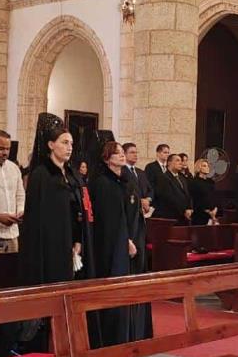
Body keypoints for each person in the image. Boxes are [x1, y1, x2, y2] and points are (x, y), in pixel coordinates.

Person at [89, 142, 151, 345]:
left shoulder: (125, 180)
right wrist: (126, 241)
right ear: (106, 158)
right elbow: (111, 219)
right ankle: (113, 342)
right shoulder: (102, 183)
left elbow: (129, 212)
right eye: (116, 153)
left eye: (121, 152)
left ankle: (129, 338)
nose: (121, 155)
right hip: (112, 246)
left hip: (132, 239)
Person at [21, 126, 94, 285]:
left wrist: (78, 239)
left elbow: (78, 209)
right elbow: (37, 216)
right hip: (50, 243)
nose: (69, 148)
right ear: (51, 144)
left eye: (72, 144)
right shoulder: (41, 174)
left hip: (72, 239)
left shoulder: (72, 174)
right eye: (65, 142)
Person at [123, 142, 152, 272]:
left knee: (141, 249)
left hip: (142, 217)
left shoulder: (141, 172)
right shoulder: (122, 172)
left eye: (136, 152)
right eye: (132, 152)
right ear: (124, 154)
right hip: (130, 216)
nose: (135, 155)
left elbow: (150, 190)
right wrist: (140, 201)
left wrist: (148, 199)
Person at [154, 153, 193, 224]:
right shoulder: (163, 178)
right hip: (171, 217)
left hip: (185, 217)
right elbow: (169, 198)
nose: (181, 163)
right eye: (177, 160)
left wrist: (189, 208)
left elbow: (187, 195)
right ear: (169, 163)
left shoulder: (182, 178)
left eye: (181, 160)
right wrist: (183, 211)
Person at [189, 158, 217, 225]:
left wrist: (215, 209)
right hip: (200, 213)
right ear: (199, 167)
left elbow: (214, 196)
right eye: (204, 166)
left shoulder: (211, 182)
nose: (207, 167)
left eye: (207, 166)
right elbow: (195, 198)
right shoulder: (194, 182)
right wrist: (207, 211)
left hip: (213, 213)